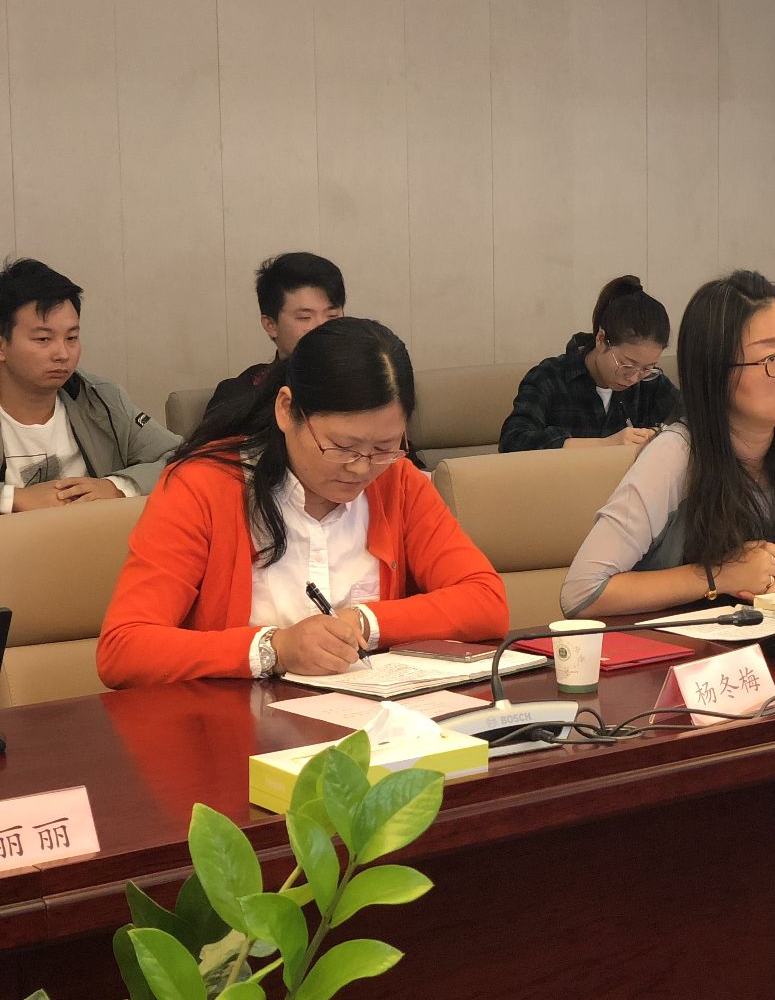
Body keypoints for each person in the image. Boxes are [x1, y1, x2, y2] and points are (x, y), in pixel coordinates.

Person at [97, 317, 509, 688]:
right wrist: (274, 648)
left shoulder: (397, 482)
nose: (361, 468)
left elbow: (486, 602)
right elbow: (124, 649)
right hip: (234, 729)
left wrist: (365, 620)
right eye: (341, 446)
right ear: (286, 409)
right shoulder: (201, 486)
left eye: (384, 447)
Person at [561, 271, 775, 617]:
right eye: (772, 359)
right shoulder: (675, 455)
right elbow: (582, 593)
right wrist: (716, 576)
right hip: (683, 644)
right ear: (717, 372)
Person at [0, 257, 179, 514]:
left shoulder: (100, 397)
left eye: (72, 337)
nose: (63, 354)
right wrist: (11, 498)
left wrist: (116, 486)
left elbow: (180, 456)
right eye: (43, 339)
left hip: (96, 537)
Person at [500, 275, 683, 452]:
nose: (634, 378)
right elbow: (513, 440)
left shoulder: (650, 383)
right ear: (601, 339)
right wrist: (605, 445)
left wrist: (658, 434)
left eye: (647, 368)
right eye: (627, 365)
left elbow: (691, 420)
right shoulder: (550, 377)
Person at [207, 252, 345, 415]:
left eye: (332, 316)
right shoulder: (241, 395)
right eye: (305, 317)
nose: (322, 327)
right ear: (270, 325)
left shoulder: (364, 382)